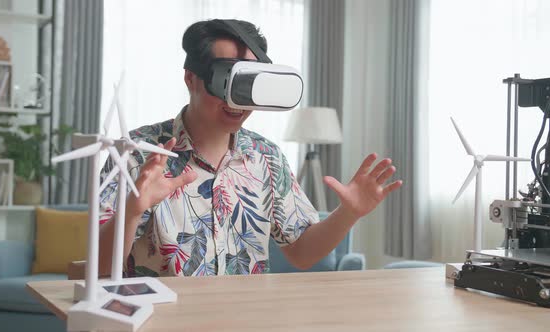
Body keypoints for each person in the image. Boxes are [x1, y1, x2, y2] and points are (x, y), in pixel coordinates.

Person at [97, 19, 402, 277]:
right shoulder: (136, 153)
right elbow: (98, 269)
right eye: (225, 81)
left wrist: (348, 214)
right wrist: (132, 211)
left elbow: (302, 253)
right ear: (191, 78)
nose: (236, 100)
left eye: (247, 83)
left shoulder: (267, 158)